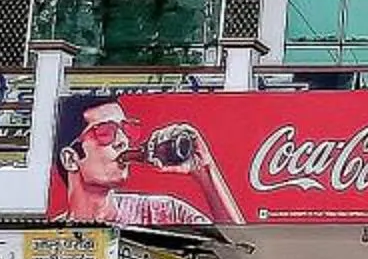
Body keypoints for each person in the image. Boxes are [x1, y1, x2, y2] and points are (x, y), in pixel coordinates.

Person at [49, 96, 243, 226]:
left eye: (126, 130)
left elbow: (244, 256)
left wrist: (205, 170)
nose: (123, 141)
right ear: (70, 159)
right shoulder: (49, 239)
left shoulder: (166, 213)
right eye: (106, 133)